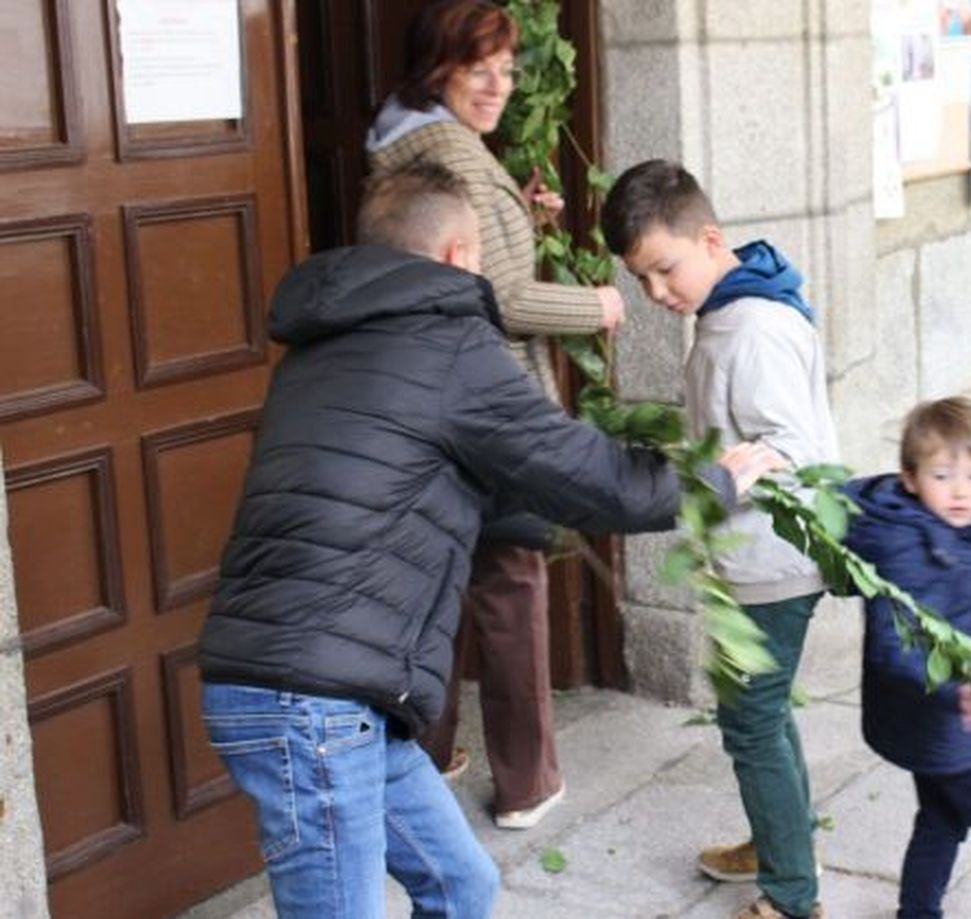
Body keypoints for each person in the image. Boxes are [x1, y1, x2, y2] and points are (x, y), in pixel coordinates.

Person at [197, 164, 780, 919]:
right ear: (456, 258)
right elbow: (584, 469)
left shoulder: (321, 349)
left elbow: (431, 479)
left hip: (317, 686)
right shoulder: (447, 348)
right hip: (314, 701)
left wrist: (539, 520)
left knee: (461, 884)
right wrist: (710, 483)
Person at [366, 0, 622, 828]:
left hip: (424, 397)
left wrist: (522, 213)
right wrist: (598, 306)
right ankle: (527, 784)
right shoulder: (455, 157)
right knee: (511, 583)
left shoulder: (409, 148)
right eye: (480, 68)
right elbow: (499, 294)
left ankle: (429, 756)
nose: (498, 86)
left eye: (506, 69)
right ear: (437, 66)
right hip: (489, 400)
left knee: (436, 582)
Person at [601, 160, 839, 919]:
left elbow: (792, 447)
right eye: (641, 281)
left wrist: (724, 478)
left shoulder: (756, 326)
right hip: (751, 560)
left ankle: (792, 895)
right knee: (761, 717)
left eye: (664, 270)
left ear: (710, 239)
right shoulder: (732, 306)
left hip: (773, 563)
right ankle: (782, 843)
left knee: (751, 721)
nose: (657, 294)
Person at [842, 398, 971, 919]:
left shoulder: (954, 527)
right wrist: (961, 690)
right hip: (950, 719)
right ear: (910, 477)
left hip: (940, 718)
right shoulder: (908, 548)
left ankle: (917, 912)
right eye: (943, 474)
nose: (960, 491)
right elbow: (895, 646)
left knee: (942, 817)